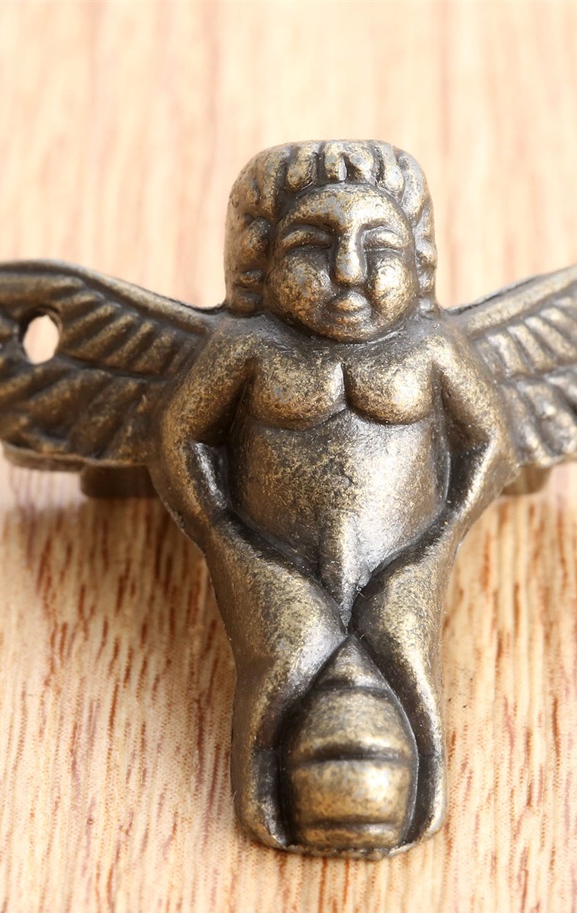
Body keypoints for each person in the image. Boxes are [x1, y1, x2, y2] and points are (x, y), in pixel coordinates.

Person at [154, 141, 517, 853]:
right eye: (311, 248)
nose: (349, 271)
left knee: (411, 662)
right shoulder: (247, 350)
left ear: (418, 262)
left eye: (379, 248)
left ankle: (426, 798)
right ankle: (262, 800)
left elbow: (492, 443)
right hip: (267, 555)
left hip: (410, 552)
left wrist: (446, 532)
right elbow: (180, 435)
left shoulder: (433, 350)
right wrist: (221, 531)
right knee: (281, 666)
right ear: (259, 265)